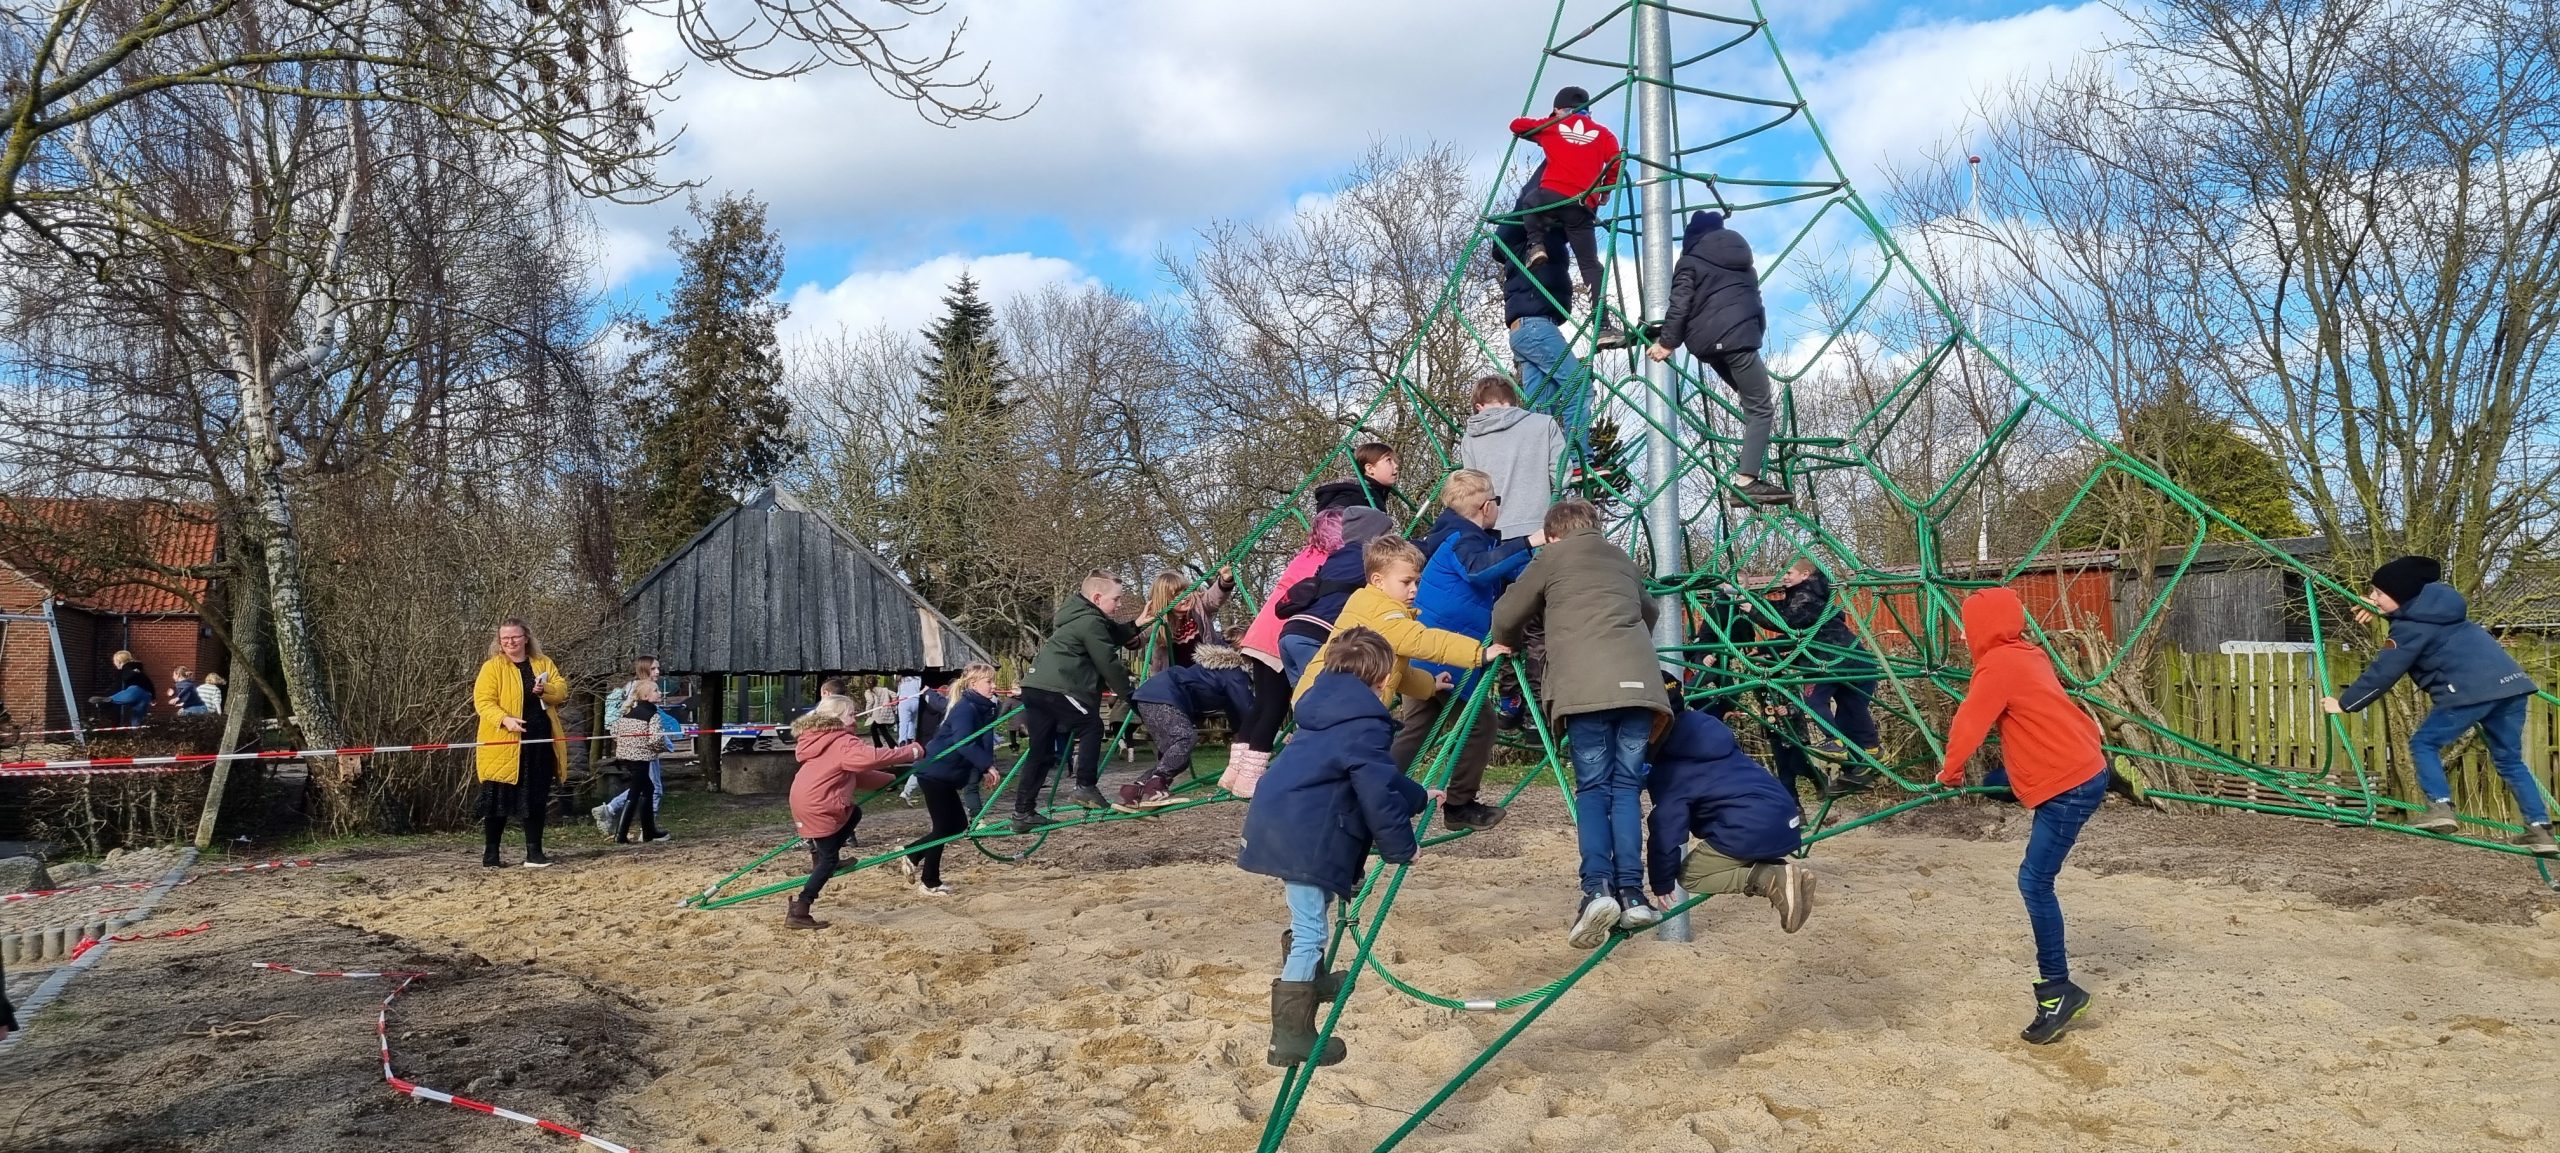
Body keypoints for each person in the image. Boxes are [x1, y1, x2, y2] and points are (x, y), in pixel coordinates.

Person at [1237, 627, 1433, 1068]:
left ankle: (1315, 979)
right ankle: (1289, 1037)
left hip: (1281, 824)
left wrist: (1420, 796)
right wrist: (1403, 847)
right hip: (1304, 836)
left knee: (1311, 914)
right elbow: (1376, 795)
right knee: (1310, 931)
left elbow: (1382, 777)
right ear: (1382, 680)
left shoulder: (1326, 713)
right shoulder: (1363, 724)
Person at [1934, 586, 2110, 1044]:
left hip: (2068, 784)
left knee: (2034, 882)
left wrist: (1950, 771)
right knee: (1998, 782)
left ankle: (2057, 991)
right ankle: (2033, 785)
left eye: (1967, 626)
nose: (1963, 634)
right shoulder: (2028, 654)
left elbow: (1970, 721)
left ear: (1981, 629)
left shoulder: (1998, 665)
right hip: (2079, 762)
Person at [1491, 501, 1669, 946]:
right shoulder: (1622, 559)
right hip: (1639, 688)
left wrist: (1506, 645)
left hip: (1585, 689)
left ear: (1552, 535)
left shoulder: (1551, 557)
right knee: (1626, 788)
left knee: (1593, 788)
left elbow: (1507, 614)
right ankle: (1632, 892)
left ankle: (1597, 889)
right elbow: (1650, 613)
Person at [2321, 556, 2557, 855]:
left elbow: (2383, 673)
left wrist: (2345, 703)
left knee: (2424, 742)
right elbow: (2408, 616)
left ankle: (2440, 808)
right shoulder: (2440, 610)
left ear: (2401, 595)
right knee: (2510, 761)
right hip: (2512, 686)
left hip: (2469, 693)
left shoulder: (2409, 629)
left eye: (2379, 593)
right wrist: (2378, 606)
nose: (2373, 599)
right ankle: (2540, 829)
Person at [1403, 469, 1537, 831]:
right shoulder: (1463, 538)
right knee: (1479, 724)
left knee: (1416, 729)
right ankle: (1459, 805)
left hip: (1431, 650)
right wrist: (1529, 542)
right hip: (1445, 653)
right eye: (1496, 503)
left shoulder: (1458, 536)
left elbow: (1498, 573)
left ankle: (1370, 800)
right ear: (1485, 506)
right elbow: (1478, 571)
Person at [1645, 681, 1816, 931]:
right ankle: (1785, 877)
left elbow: (1666, 830)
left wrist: (1661, 882)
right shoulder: (1705, 732)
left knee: (1691, 876)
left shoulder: (1673, 769)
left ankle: (1771, 878)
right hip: (1784, 816)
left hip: (1750, 827)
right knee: (1732, 850)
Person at [1648, 210, 1790, 507]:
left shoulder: (1690, 261)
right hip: (1739, 339)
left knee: (1752, 400)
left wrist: (1669, 341)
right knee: (1761, 406)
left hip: (1706, 345)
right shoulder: (1743, 262)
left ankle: (1748, 468)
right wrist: (1667, 343)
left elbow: (1680, 303)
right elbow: (1755, 302)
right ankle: (1747, 481)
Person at [1292, 535, 1508, 713]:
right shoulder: (1380, 610)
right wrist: (1479, 654)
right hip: (1332, 703)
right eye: (1406, 582)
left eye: (1417, 582)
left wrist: (1430, 684)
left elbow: (1397, 674)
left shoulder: (1378, 609)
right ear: (1378, 581)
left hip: (1324, 699)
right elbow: (1421, 640)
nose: (1414, 589)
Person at [1230, 508, 1348, 797]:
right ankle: (1250, 777)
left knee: (1262, 704)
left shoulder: (1306, 554)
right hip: (1280, 634)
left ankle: (1234, 770)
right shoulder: (1327, 562)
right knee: (1275, 706)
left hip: (1262, 632)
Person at [1011, 571, 1137, 833]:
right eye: (1117, 599)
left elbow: (1110, 635)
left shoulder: (1079, 617)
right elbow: (1108, 663)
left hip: (1035, 686)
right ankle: (1085, 787)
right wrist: (1130, 696)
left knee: (1041, 752)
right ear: (1097, 597)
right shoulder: (1090, 622)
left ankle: (1022, 812)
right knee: (1092, 726)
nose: (1120, 604)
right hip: (1058, 686)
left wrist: (1138, 625)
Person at [787, 695, 923, 928]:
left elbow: (854, 774)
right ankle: (800, 908)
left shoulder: (821, 739)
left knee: (854, 813)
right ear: (835, 718)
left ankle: (823, 858)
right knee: (828, 861)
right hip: (821, 805)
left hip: (804, 800)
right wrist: (910, 753)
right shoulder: (841, 741)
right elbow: (868, 759)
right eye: (851, 713)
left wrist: (891, 780)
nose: (855, 717)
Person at [1508, 86, 1623, 339]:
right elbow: (1616, 163)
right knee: (1590, 264)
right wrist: (1604, 191)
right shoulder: (1604, 134)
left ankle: (1536, 246)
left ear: (1560, 109)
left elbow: (1517, 125)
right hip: (1582, 204)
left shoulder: (1553, 126)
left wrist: (1554, 118)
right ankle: (1602, 326)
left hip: (1551, 195)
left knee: (1530, 201)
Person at [1774, 559, 1881, 789]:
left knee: (1816, 700)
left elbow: (1787, 622)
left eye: (1788, 572)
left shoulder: (1806, 599)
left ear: (1804, 575)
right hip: (1853, 662)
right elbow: (1796, 632)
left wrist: (1751, 608)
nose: (1783, 576)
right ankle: (1861, 762)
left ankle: (1839, 743)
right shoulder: (1816, 596)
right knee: (1849, 711)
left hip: (1833, 662)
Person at [472, 618, 570, 868]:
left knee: (536, 798)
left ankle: (534, 853)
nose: (510, 642)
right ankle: (491, 855)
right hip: (503, 744)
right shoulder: (492, 667)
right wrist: (505, 720)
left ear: (525, 637)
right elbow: (483, 702)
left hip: (538, 741)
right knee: (497, 800)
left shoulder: (543, 662)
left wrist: (544, 689)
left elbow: (561, 691)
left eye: (514, 637)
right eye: (505, 639)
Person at [905, 663, 1006, 895]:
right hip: (934, 773)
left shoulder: (982, 707)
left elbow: (982, 740)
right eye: (988, 682)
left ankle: (914, 855)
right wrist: (986, 765)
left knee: (957, 825)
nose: (994, 686)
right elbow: (964, 742)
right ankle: (929, 880)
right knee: (943, 827)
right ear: (973, 684)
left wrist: (984, 768)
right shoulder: (966, 708)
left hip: (946, 776)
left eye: (993, 681)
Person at [1119, 643, 1257, 811]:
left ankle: (1134, 791)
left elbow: (1238, 719)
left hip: (1147, 698)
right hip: (1164, 696)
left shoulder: (1217, 672)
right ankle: (1156, 785)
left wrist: (1241, 739)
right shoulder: (1235, 673)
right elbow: (1248, 710)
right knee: (1185, 738)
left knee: (1176, 758)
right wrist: (1272, 734)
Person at [1272, 506, 1396, 687]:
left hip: (1291, 633)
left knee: (1305, 699)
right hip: (1315, 634)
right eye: (1386, 534)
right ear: (1373, 534)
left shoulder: (1336, 557)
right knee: (1327, 694)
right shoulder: (1367, 558)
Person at [1491, 219, 1592, 441]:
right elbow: (1501, 237)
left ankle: (1541, 462)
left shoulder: (1554, 234)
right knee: (1578, 386)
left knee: (1540, 406)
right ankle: (1577, 456)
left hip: (1527, 329)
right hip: (1535, 326)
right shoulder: (1526, 238)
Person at [1459, 376, 1568, 543]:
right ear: (1512, 402)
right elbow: (1563, 476)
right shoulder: (1544, 424)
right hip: (1542, 529)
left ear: (1479, 407)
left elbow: (1472, 492)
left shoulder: (1470, 438)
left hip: (1494, 534)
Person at [594, 657, 668, 835]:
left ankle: (618, 815)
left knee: (644, 785)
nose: (657, 672)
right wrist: (652, 744)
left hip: (639, 748)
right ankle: (645, 829)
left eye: (658, 668)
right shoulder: (640, 689)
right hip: (642, 750)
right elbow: (630, 720)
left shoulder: (647, 689)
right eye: (653, 669)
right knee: (652, 788)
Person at [1129, 567, 1236, 677]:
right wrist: (1136, 625)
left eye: (1185, 591)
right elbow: (1135, 641)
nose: (1184, 597)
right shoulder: (1159, 621)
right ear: (1164, 601)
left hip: (1205, 671)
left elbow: (1213, 597)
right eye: (1176, 595)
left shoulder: (1198, 605)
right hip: (1175, 676)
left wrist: (1225, 580)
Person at [608, 680, 672, 844]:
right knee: (635, 791)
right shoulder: (653, 715)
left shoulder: (628, 713)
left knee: (648, 788)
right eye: (656, 690)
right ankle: (620, 835)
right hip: (641, 758)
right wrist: (662, 748)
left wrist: (627, 746)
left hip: (626, 757)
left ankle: (649, 831)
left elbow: (615, 731)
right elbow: (655, 739)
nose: (660, 693)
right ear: (646, 696)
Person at [1311, 443, 1403, 514]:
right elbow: (1333, 526)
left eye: (1395, 461)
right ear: (1370, 469)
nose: (1396, 466)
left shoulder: (1375, 493)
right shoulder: (1354, 495)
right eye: (1388, 461)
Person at [92, 650, 152, 726]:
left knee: (124, 696)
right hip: (145, 695)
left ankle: (109, 700)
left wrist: (110, 698)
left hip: (134, 692)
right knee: (137, 717)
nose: (114, 664)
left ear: (119, 661)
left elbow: (126, 677)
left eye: (114, 661)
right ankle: (137, 731)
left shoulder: (126, 668)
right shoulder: (138, 667)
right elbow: (148, 682)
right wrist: (153, 696)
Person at [863, 681, 898, 747]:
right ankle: (890, 745)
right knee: (880, 729)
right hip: (885, 712)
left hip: (877, 714)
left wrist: (868, 712)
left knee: (875, 729)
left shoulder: (868, 692)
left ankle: (881, 745)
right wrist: (893, 704)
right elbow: (894, 695)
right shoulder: (884, 689)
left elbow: (870, 701)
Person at [895, 674, 925, 743]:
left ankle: (902, 740)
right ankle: (910, 738)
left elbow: (898, 692)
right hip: (916, 700)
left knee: (903, 723)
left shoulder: (901, 678)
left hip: (904, 701)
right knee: (913, 721)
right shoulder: (918, 678)